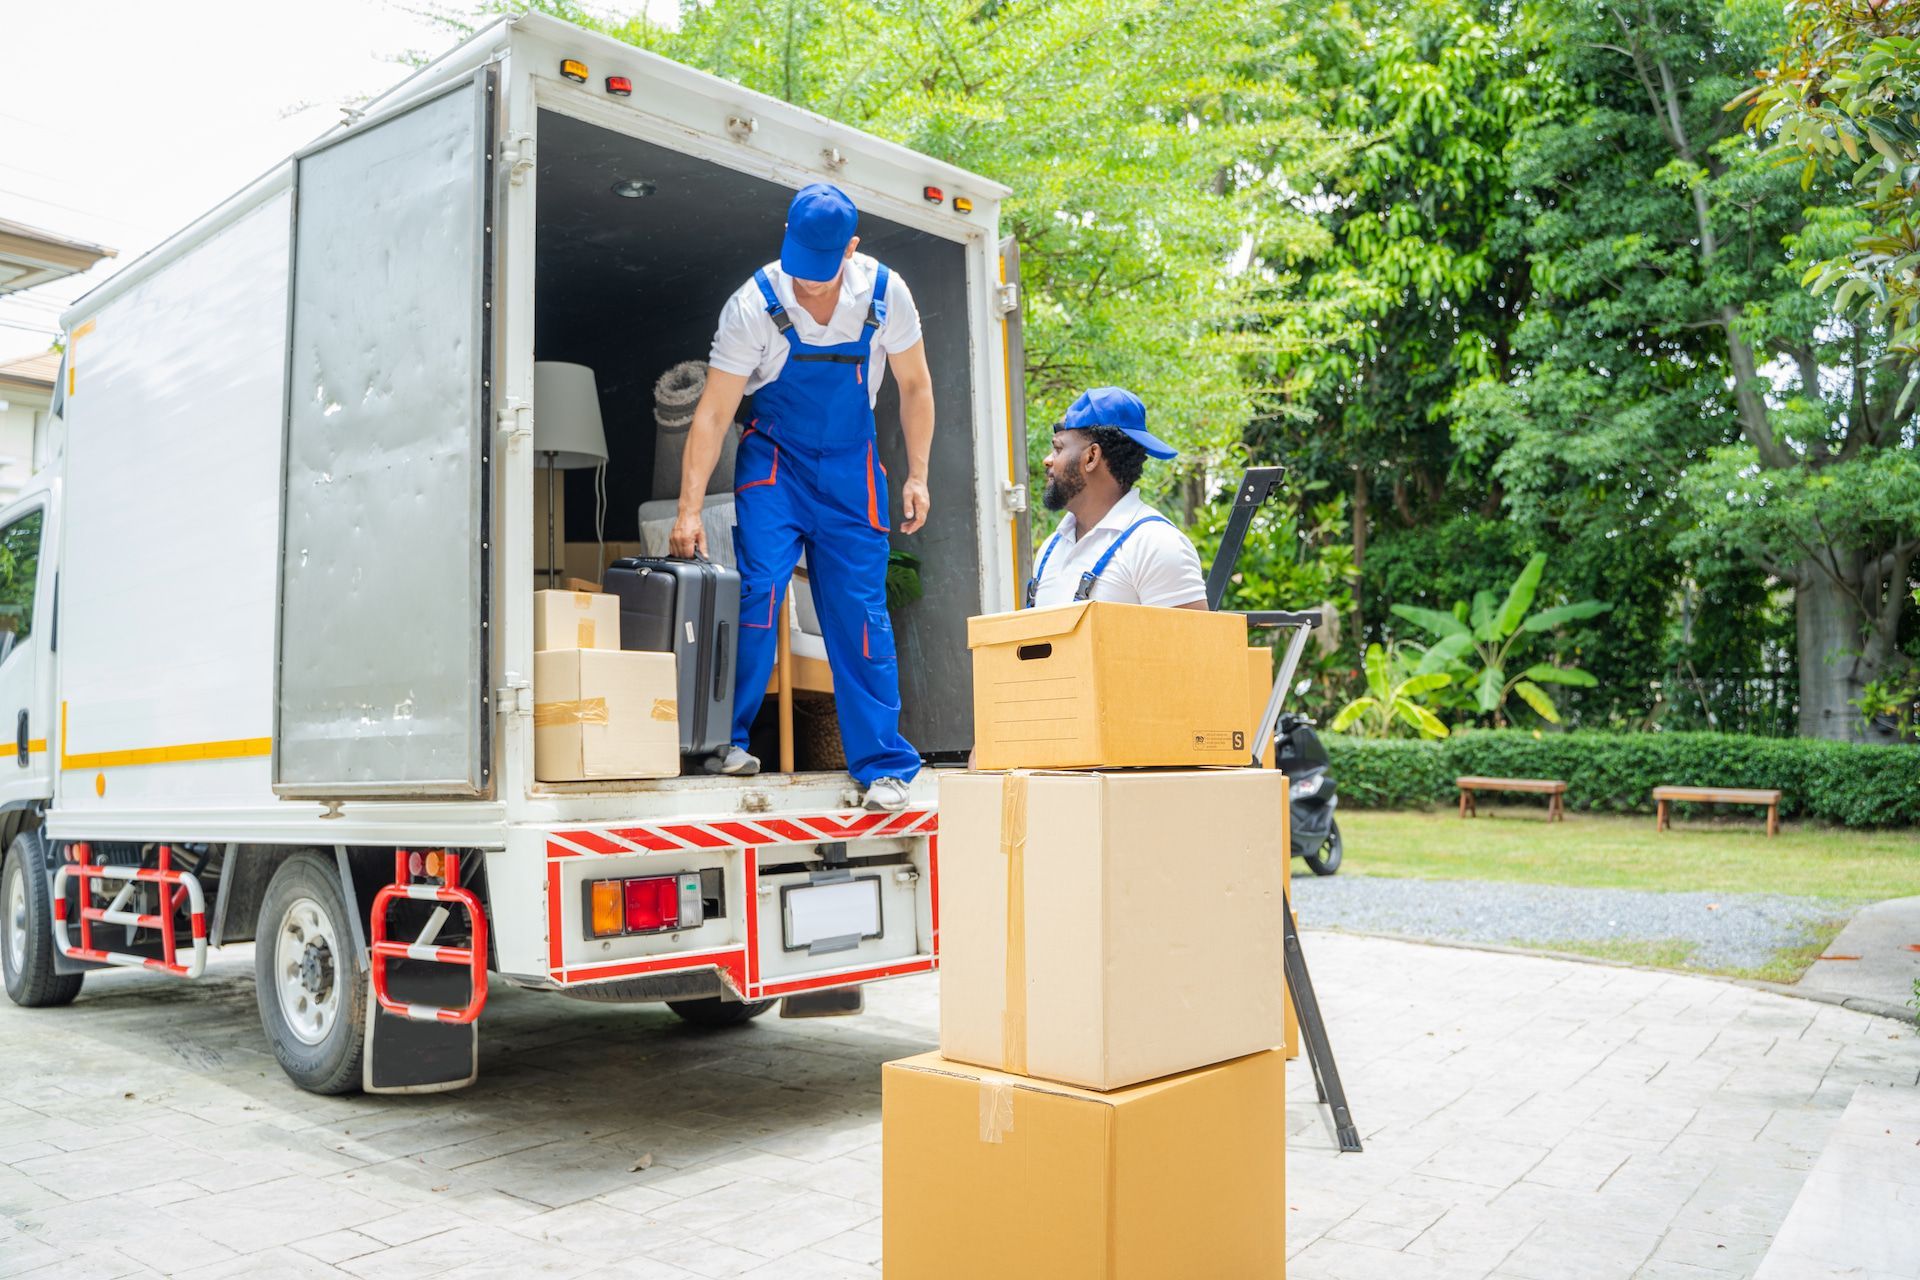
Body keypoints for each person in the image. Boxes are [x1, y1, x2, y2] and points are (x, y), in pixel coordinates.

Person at [670, 183, 931, 812]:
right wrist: (686, 510)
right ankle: (721, 745)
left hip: (852, 468)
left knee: (861, 611)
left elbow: (915, 387)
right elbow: (713, 414)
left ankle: (883, 765)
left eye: (823, 273)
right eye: (800, 272)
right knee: (758, 591)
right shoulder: (753, 305)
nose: (808, 286)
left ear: (852, 248)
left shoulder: (885, 293)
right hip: (775, 462)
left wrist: (917, 473)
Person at [1026, 387, 1208, 610]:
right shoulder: (1051, 549)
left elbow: (1194, 645)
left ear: (1091, 456)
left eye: (1058, 448)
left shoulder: (1156, 545)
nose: (1047, 460)